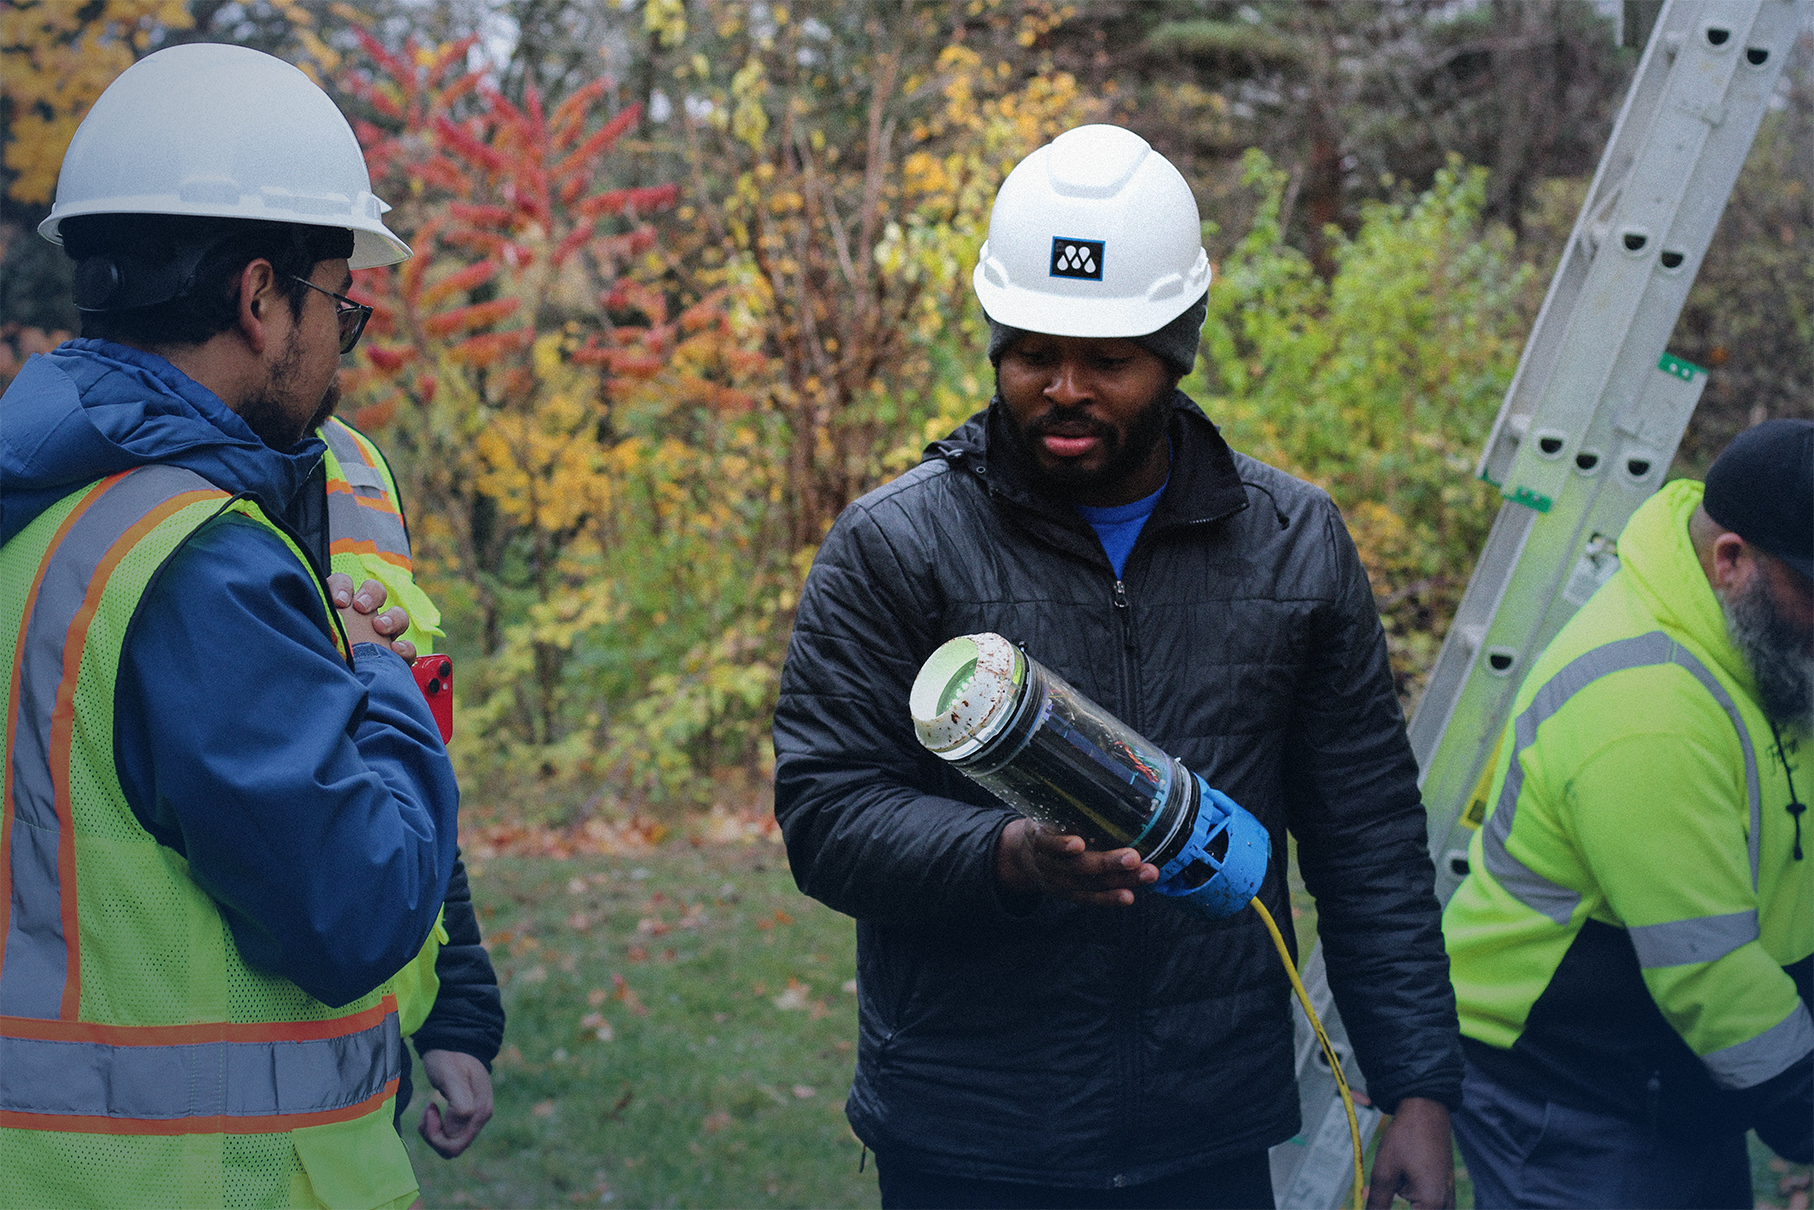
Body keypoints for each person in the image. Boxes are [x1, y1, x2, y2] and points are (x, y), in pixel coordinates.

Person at [772, 123, 1462, 1210]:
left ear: (1176, 347)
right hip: (971, 1136)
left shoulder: (1293, 542)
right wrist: (1002, 856)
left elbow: (1365, 835)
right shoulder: (894, 543)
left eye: (1107, 360)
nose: (1062, 388)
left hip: (1206, 1133)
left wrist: (1416, 1086)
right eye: (1033, 352)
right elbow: (825, 813)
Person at [0, 44, 456, 1208]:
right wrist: (380, 672)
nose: (337, 354)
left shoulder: (41, 509)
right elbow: (362, 905)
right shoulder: (197, 564)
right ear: (260, 296)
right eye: (337, 312)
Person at [1442, 419, 1814, 1209]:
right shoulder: (1648, 707)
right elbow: (1710, 971)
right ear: (1732, 561)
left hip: (1679, 1074)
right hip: (1575, 1088)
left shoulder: (1759, 641)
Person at [315, 414, 505, 1158]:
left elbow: (407, 785)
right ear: (259, 297)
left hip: (367, 1075)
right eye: (333, 297)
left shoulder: (356, 466)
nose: (348, 327)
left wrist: (454, 1013)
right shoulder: (136, 478)